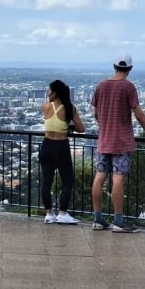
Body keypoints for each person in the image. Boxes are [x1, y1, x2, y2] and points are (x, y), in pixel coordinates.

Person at [90, 55, 145, 233]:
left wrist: (105, 126)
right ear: (130, 69)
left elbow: (96, 114)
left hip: (104, 140)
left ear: (114, 66)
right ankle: (118, 221)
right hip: (122, 142)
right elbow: (138, 114)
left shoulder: (101, 86)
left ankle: (98, 219)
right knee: (118, 179)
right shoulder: (128, 87)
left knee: (99, 177)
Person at [40, 80, 85, 225]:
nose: (48, 93)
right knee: (67, 181)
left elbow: (52, 123)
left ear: (55, 93)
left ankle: (49, 214)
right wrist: (69, 128)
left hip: (46, 146)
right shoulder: (69, 108)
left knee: (46, 181)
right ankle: (62, 213)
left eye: (49, 91)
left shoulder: (45, 107)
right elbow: (81, 128)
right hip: (61, 147)